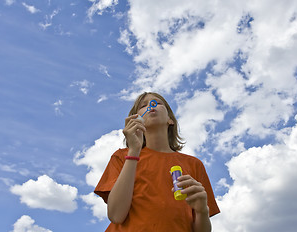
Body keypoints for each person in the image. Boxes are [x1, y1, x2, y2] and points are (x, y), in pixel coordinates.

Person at [94, 92, 220, 232]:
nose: (150, 106)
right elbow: (116, 215)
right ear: (136, 120)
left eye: (157, 103)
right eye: (143, 106)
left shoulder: (194, 164)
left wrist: (202, 211)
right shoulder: (121, 157)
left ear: (170, 119)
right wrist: (134, 151)